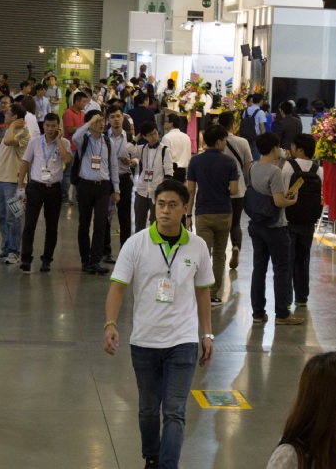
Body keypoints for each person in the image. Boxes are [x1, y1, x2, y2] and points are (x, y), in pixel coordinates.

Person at [103, 179, 214, 469]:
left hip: (183, 341)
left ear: (185, 208)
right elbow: (117, 287)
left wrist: (207, 334)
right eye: (161, 204)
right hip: (145, 341)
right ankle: (152, 457)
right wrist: (110, 324)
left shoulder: (198, 246)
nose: (165, 210)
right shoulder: (136, 244)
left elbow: (203, 292)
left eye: (172, 205)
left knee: (175, 410)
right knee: (149, 408)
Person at [247, 132, 303, 326]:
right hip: (275, 227)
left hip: (257, 224)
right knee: (281, 269)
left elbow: (267, 182)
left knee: (259, 269)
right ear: (273, 148)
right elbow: (279, 201)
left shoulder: (253, 167)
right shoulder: (275, 173)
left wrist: (282, 161)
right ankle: (282, 313)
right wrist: (293, 201)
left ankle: (258, 313)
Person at [186, 124, 239, 306]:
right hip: (224, 212)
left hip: (203, 213)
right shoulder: (229, 162)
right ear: (218, 142)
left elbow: (190, 189)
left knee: (202, 253)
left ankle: (200, 292)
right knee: (219, 254)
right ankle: (213, 294)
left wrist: (188, 215)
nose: (225, 143)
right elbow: (234, 190)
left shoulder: (195, 161)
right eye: (224, 140)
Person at [16, 113, 71, 273]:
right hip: (36, 187)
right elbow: (25, 163)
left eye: (53, 126)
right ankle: (26, 259)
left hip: (54, 188)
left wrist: (59, 140)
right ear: (43, 125)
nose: (50, 129)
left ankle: (47, 259)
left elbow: (67, 160)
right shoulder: (35, 142)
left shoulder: (64, 143)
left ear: (58, 127)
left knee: (52, 227)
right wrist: (20, 187)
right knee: (29, 225)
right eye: (47, 125)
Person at [72, 111, 119, 274]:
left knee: (100, 223)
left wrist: (116, 189)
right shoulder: (83, 140)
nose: (101, 123)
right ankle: (85, 260)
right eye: (97, 121)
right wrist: (88, 123)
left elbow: (113, 166)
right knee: (84, 224)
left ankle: (95, 260)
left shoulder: (108, 141)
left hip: (103, 187)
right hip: (85, 186)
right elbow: (74, 137)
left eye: (102, 120)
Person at [281, 133, 323, 308]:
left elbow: (283, 191)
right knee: (303, 259)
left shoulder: (288, 167)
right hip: (309, 221)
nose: (290, 149)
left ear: (300, 149)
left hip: (289, 219)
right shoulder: (318, 170)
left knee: (288, 260)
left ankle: (286, 299)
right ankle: (302, 297)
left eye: (293, 146)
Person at [0, 103, 30, 265]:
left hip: (14, 182)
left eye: (8, 114)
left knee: (14, 217)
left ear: (15, 117)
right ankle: (5, 248)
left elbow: (8, 142)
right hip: (1, 180)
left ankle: (14, 251)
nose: (4, 115)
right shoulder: (9, 130)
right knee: (2, 216)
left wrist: (13, 125)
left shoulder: (24, 132)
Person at [218, 110, 252, 271]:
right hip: (238, 188)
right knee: (235, 223)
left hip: (220, 188)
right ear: (233, 124)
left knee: (221, 223)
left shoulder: (217, 141)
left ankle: (221, 254)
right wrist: (250, 184)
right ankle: (236, 247)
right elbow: (248, 166)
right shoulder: (243, 142)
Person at [105, 106, 138, 259]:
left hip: (124, 179)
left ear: (123, 118)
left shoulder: (130, 137)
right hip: (107, 181)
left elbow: (137, 157)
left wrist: (131, 161)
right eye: (112, 117)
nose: (116, 120)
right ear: (108, 119)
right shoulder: (104, 137)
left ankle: (125, 253)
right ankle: (106, 252)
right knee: (105, 217)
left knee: (124, 218)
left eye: (118, 116)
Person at [133, 120, 173, 233]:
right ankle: (139, 243)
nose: (154, 137)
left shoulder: (165, 150)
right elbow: (128, 148)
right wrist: (138, 136)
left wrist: (165, 192)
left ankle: (155, 243)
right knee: (139, 222)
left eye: (155, 133)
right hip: (142, 190)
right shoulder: (142, 149)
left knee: (156, 222)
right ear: (144, 137)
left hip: (157, 191)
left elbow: (169, 171)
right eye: (150, 135)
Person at [162, 113, 191, 184]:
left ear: (171, 123)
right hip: (183, 171)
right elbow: (188, 155)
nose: (164, 123)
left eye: (165, 121)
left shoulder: (167, 137)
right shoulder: (186, 137)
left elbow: (164, 156)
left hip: (171, 171)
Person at [241, 93, 264, 159]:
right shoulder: (260, 112)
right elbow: (262, 129)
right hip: (255, 139)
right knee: (255, 159)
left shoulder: (245, 111)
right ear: (261, 101)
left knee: (246, 158)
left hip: (245, 138)